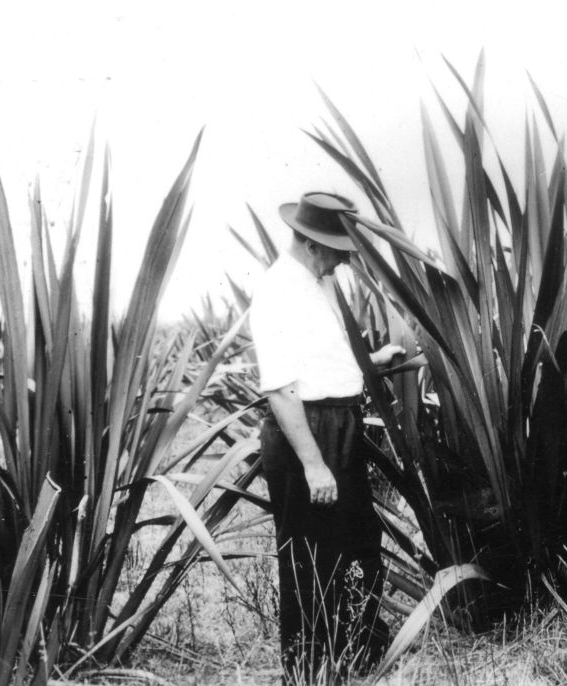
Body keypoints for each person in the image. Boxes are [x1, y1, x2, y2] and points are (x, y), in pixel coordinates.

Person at [249, 191, 404, 683]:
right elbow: (280, 388)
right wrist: (314, 464)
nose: (345, 256)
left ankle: (356, 651)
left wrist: (371, 363)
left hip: (340, 423)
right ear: (313, 244)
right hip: (304, 433)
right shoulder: (277, 290)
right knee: (307, 554)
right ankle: (308, 668)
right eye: (339, 247)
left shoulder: (320, 281)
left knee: (358, 541)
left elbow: (325, 355)